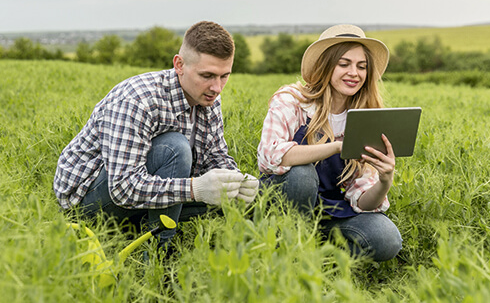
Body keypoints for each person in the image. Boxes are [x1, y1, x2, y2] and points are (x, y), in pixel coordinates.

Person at [54, 21, 259, 249]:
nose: (217, 87)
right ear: (179, 65)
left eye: (224, 76)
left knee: (223, 195)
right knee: (175, 147)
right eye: (207, 75)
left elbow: (215, 154)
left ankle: (144, 225)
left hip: (140, 193)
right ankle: (158, 254)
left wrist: (237, 181)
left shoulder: (208, 97)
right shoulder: (137, 100)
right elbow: (123, 188)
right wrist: (195, 189)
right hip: (88, 201)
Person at [257, 24, 402, 262]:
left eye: (361, 66)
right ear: (325, 65)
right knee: (301, 175)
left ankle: (320, 259)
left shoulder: (366, 116)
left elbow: (363, 201)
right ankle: (287, 245)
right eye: (343, 64)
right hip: (284, 202)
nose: (354, 73)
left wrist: (385, 181)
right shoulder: (293, 101)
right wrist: (336, 146)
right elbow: (269, 156)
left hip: (331, 211)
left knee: (387, 239)